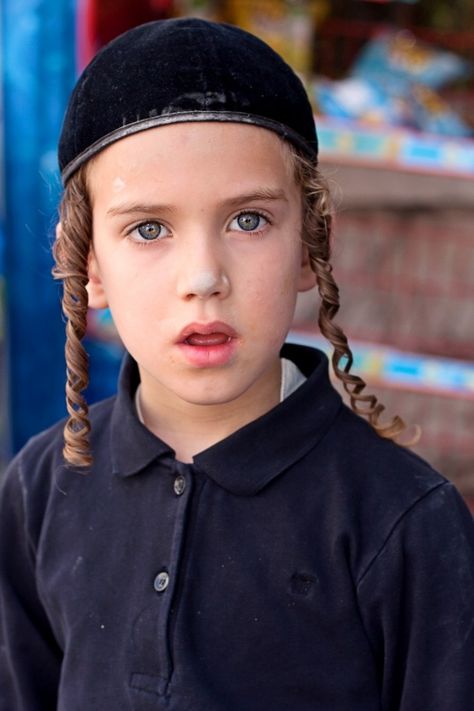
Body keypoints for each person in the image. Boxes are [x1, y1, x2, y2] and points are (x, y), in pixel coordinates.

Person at [0, 17, 473, 711]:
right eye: (148, 228)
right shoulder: (40, 492)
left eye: (248, 220)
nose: (204, 276)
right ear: (88, 266)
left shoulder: (406, 522)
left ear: (310, 245)